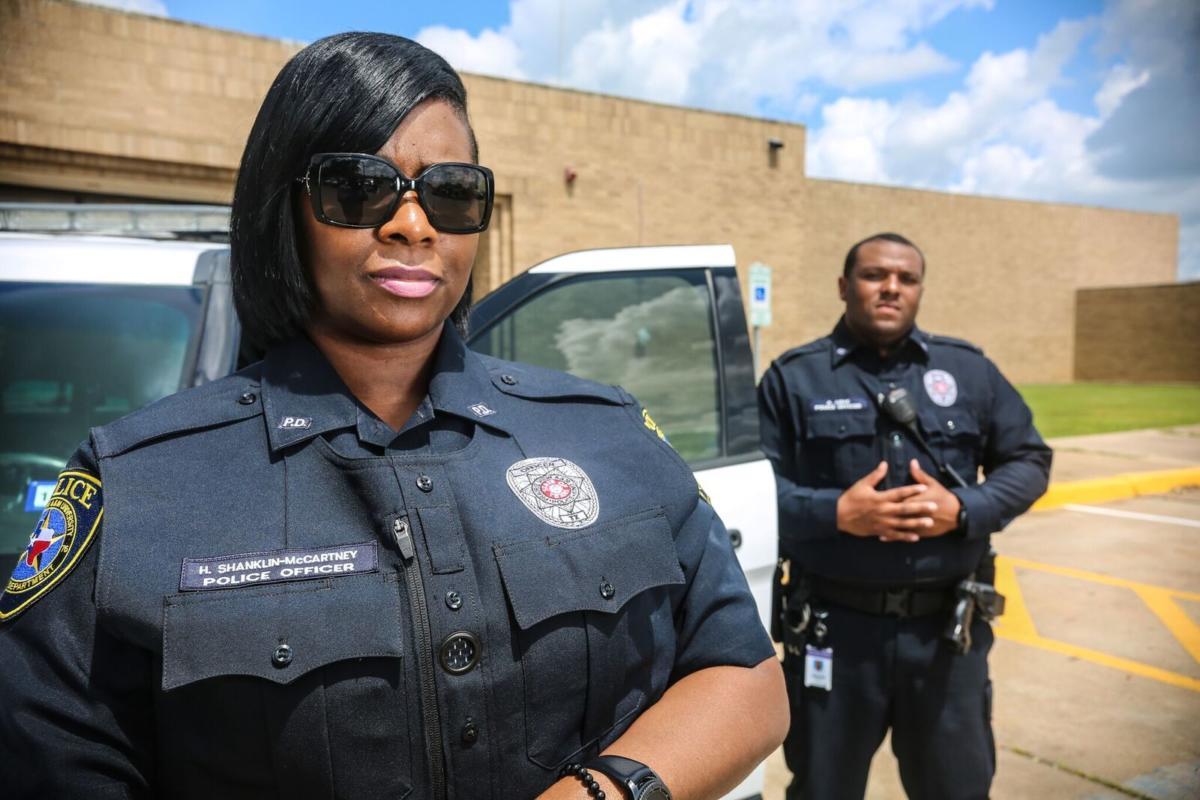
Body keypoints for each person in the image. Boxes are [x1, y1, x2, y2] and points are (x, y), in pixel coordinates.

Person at [0, 33, 787, 800]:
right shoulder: (137, 483)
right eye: (358, 187)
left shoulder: (607, 431)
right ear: (285, 210)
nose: (413, 224)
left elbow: (744, 674)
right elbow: (48, 759)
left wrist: (605, 791)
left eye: (451, 192)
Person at [758, 232, 1052, 800]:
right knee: (822, 790)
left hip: (946, 637)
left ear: (919, 289)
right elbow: (754, 488)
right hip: (833, 633)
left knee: (957, 789)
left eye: (906, 278)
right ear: (844, 286)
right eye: (874, 275)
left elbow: (1029, 459)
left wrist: (963, 508)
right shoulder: (793, 379)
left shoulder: (968, 370)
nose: (891, 288)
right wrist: (835, 512)